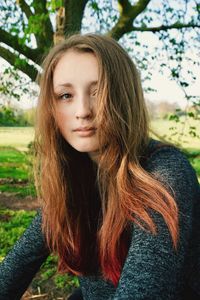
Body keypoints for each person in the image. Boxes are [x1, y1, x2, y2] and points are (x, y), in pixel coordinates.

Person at [0, 33, 200, 300]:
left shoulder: (163, 174)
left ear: (123, 98)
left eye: (98, 91)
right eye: (66, 95)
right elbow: (15, 267)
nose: (83, 110)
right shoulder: (72, 176)